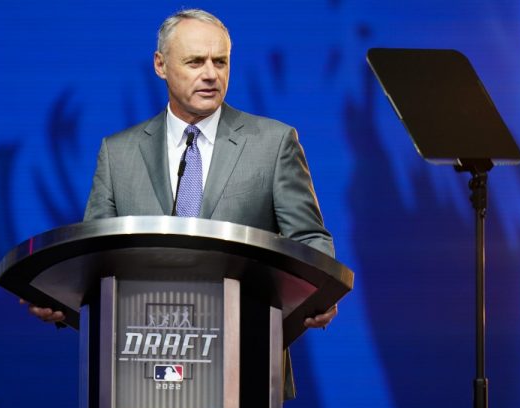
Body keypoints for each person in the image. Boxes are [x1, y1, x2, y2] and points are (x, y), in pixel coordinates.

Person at [26, 8, 337, 330]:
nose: (211, 75)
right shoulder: (118, 152)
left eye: (220, 61)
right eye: (195, 62)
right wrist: (63, 298)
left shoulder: (273, 143)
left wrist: (321, 292)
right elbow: (95, 254)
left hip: (248, 347)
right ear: (160, 65)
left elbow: (308, 237)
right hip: (140, 348)